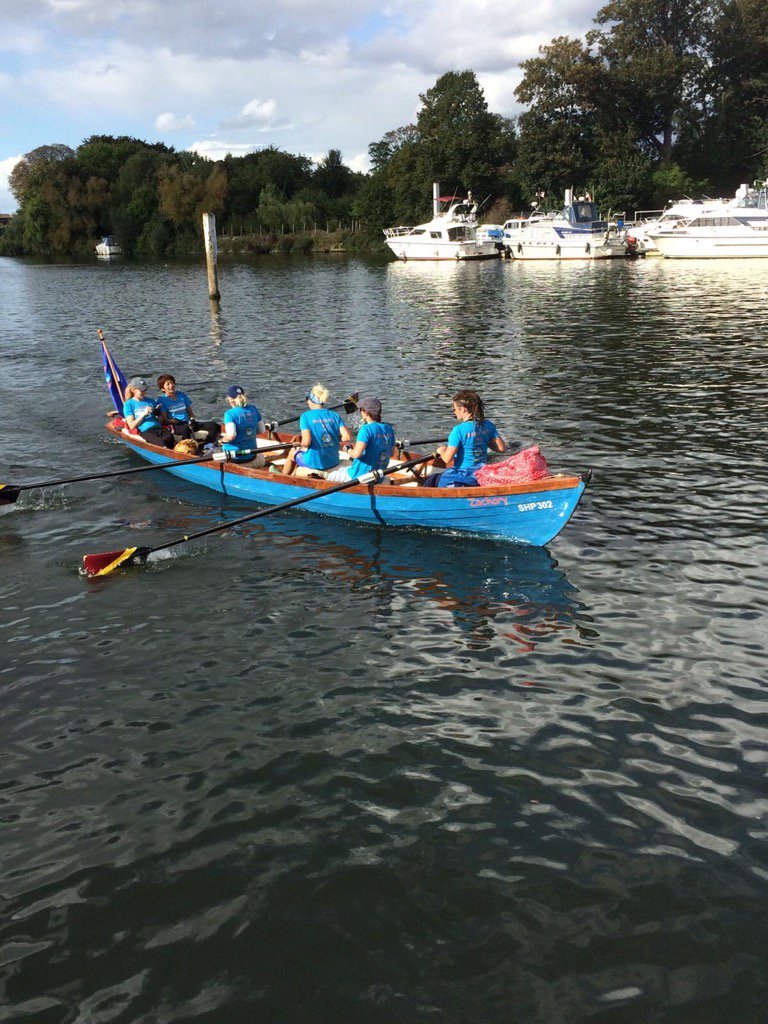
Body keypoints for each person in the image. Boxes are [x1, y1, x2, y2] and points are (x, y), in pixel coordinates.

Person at [426, 389, 505, 487]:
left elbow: (447, 459)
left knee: (430, 480)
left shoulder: (458, 430)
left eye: (454, 409)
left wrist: (441, 450)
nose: (454, 412)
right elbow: (501, 448)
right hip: (481, 474)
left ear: (463, 409)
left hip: (462, 475)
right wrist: (482, 439)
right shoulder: (488, 425)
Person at [282, 384, 352, 476]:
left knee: (291, 454)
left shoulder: (305, 417)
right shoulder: (334, 415)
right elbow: (346, 437)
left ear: (311, 400)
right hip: (333, 461)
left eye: (307, 399)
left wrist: (301, 445)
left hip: (314, 464)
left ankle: (283, 477)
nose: (307, 401)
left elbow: (306, 442)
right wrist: (333, 437)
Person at [324, 397, 396, 483]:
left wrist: (348, 449)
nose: (360, 412)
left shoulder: (366, 429)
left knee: (328, 475)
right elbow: (392, 453)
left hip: (358, 476)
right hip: (378, 478)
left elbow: (356, 454)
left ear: (365, 412)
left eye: (361, 409)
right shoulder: (389, 429)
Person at [155, 373, 220, 446]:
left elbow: (190, 412)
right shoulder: (162, 400)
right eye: (168, 384)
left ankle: (207, 445)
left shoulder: (181, 395)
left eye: (172, 383)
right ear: (162, 389)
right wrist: (176, 422)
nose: (171, 385)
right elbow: (165, 420)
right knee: (185, 429)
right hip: (176, 426)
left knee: (214, 425)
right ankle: (187, 448)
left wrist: (192, 419)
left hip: (188, 423)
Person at [122, 377, 173, 448]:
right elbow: (131, 426)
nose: (144, 392)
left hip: (157, 427)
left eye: (145, 390)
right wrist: (143, 414)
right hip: (144, 430)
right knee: (160, 443)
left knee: (169, 438)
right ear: (134, 390)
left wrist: (158, 414)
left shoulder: (151, 401)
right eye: (141, 390)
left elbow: (160, 420)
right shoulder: (129, 404)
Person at [220, 384, 266, 462]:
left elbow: (231, 436)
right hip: (252, 454)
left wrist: (221, 440)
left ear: (230, 399)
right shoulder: (253, 409)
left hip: (235, 457)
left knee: (212, 449)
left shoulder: (230, 414)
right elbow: (262, 430)